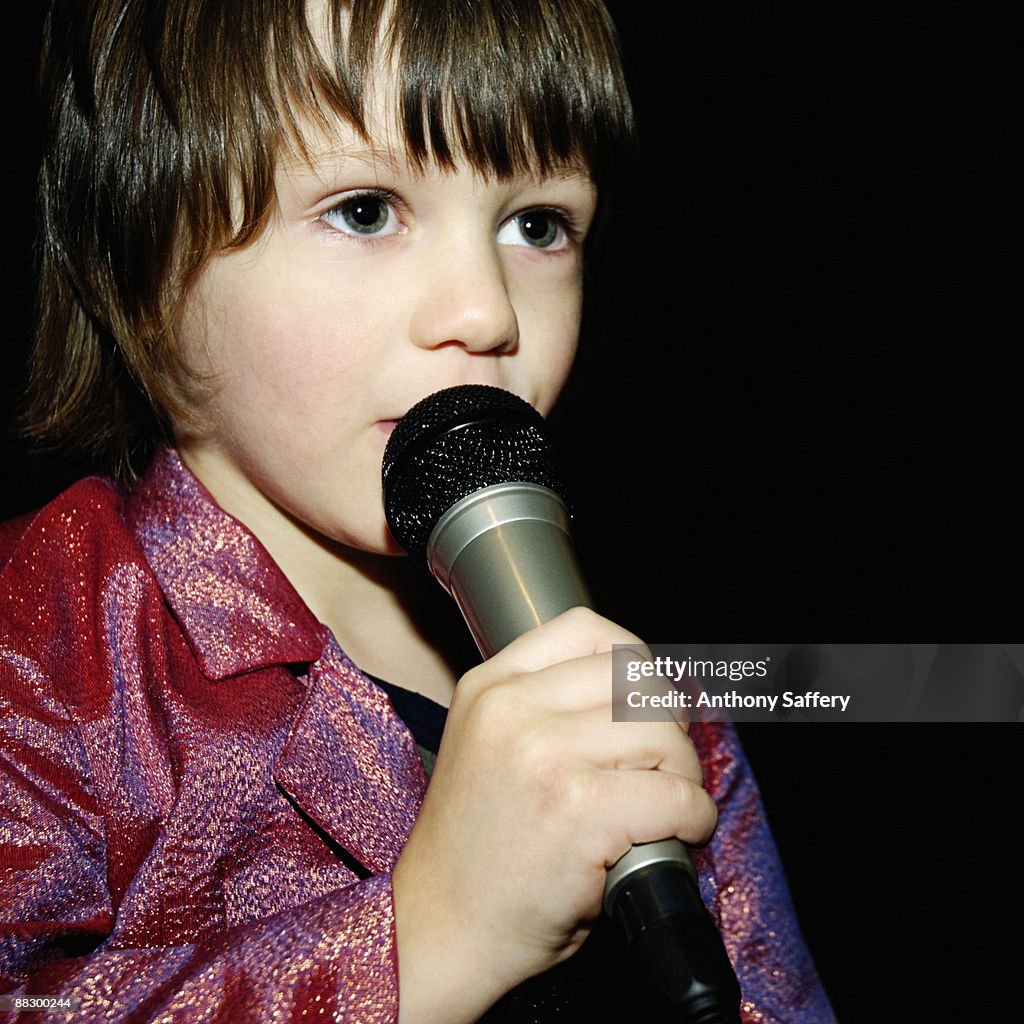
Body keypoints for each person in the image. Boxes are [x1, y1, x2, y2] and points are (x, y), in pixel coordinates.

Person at [0, 1, 835, 1021]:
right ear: (139, 260)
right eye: (364, 210)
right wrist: (425, 939)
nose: (485, 309)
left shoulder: (646, 711)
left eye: (537, 225)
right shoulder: (47, 642)